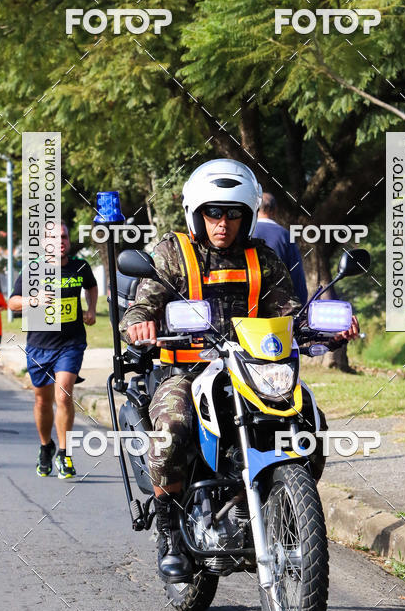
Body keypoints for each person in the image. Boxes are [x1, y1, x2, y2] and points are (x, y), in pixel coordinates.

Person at [121, 159, 359, 582]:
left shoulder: (262, 257)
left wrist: (328, 330)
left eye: (233, 214)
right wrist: (141, 323)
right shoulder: (172, 252)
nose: (223, 223)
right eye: (214, 212)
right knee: (173, 428)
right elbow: (145, 301)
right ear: (197, 212)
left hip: (252, 369)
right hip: (186, 370)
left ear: (247, 216)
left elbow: (286, 312)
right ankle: (170, 531)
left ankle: (281, 504)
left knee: (308, 420)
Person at [8, 223, 98, 479]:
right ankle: (46, 446)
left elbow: (91, 286)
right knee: (42, 401)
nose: (61, 241)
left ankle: (65, 453)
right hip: (39, 346)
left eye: (64, 237)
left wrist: (91, 309)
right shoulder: (33, 270)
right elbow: (13, 302)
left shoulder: (80, 267)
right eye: (54, 238)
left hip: (71, 343)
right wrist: (33, 300)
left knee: (63, 396)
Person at [253, 192, 308, 305]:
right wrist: (301, 304)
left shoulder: (245, 233)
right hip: (279, 307)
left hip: (248, 304)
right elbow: (296, 275)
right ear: (274, 210)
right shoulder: (285, 235)